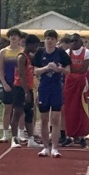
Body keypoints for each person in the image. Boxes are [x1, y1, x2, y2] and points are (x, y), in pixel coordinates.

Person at [33, 29, 70, 157]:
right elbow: (36, 71)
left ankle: (55, 147)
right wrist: (46, 68)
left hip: (56, 88)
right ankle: (45, 147)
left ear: (56, 41)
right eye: (47, 38)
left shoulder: (60, 53)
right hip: (43, 88)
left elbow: (68, 70)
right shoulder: (40, 52)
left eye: (52, 39)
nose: (49, 41)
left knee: (55, 119)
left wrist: (60, 69)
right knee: (43, 119)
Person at [62, 33, 89, 147]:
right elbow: (68, 69)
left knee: (81, 108)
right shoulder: (67, 53)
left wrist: (70, 69)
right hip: (69, 84)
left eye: (75, 41)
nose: (73, 43)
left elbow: (82, 70)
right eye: (71, 41)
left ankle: (82, 135)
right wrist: (69, 70)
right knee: (69, 109)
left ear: (80, 41)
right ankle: (70, 134)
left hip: (81, 84)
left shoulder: (87, 53)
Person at [12, 34, 42, 149]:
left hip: (28, 88)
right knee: (17, 113)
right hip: (19, 88)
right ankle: (14, 139)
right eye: (35, 46)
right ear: (29, 45)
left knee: (29, 114)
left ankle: (31, 139)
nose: (36, 48)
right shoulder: (21, 57)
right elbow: (21, 75)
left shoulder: (30, 57)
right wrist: (26, 91)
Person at [0, 28, 25, 144]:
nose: (13, 37)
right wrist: (3, 83)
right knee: (7, 109)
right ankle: (5, 134)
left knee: (20, 109)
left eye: (15, 35)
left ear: (19, 38)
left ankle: (21, 133)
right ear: (9, 38)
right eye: (11, 35)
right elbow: (0, 69)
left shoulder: (23, 51)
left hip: (20, 83)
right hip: (8, 82)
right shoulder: (3, 52)